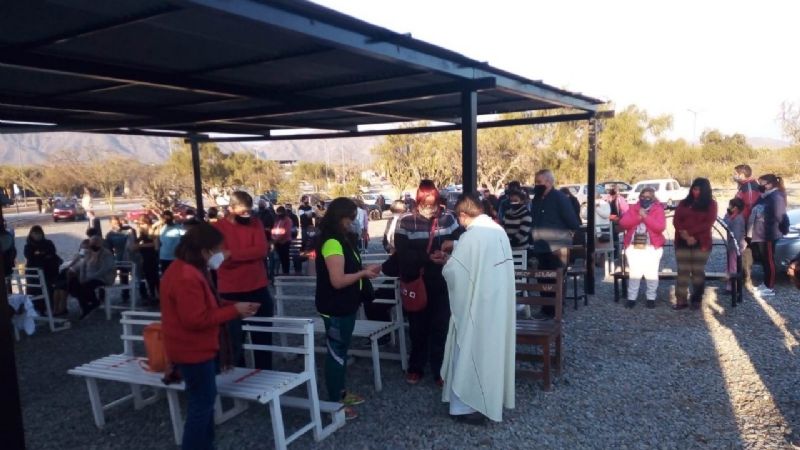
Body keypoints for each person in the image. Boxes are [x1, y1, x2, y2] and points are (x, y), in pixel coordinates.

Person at [160, 223, 259, 450]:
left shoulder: (186, 269)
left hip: (192, 349)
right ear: (205, 251)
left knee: (203, 402)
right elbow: (196, 319)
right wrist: (234, 311)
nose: (221, 255)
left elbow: (206, 305)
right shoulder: (187, 276)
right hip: (193, 351)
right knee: (201, 405)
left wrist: (234, 306)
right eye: (218, 250)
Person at [440, 193, 516, 425]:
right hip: (496, 302)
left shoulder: (473, 236)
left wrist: (446, 263)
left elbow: (456, 272)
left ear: (463, 215)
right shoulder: (497, 230)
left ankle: (466, 407)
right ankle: (488, 400)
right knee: (489, 354)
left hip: (476, 306)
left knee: (469, 351)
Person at [315, 197, 382, 420]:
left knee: (341, 351)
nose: (354, 221)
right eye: (351, 217)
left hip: (346, 305)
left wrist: (364, 269)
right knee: (336, 354)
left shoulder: (344, 239)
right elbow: (338, 280)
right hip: (335, 307)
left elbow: (348, 267)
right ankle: (334, 402)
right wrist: (363, 274)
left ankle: (341, 392)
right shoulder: (332, 242)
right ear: (340, 217)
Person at [394, 180, 459, 386]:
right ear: (418, 200)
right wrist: (426, 257)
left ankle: (440, 370)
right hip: (416, 281)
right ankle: (416, 367)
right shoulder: (405, 221)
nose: (429, 207)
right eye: (425, 202)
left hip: (442, 282)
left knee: (441, 326)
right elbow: (401, 253)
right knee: (417, 327)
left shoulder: (449, 218)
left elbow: (461, 242)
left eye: (433, 202)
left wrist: (446, 254)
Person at [213, 191, 272, 369]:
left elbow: (261, 251)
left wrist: (231, 254)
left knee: (263, 337)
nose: (247, 215)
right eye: (242, 212)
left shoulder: (256, 223)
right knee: (234, 340)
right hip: (231, 292)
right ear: (230, 209)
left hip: (258, 288)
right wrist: (245, 255)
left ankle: (265, 374)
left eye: (249, 211)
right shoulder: (217, 228)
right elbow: (219, 258)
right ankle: (237, 376)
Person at [529, 169, 580, 317]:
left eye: (539, 182)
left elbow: (572, 221)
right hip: (540, 246)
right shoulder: (537, 200)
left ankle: (556, 311)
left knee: (556, 279)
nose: (537, 185)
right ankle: (546, 309)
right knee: (542, 277)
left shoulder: (559, 198)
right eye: (536, 182)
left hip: (557, 247)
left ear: (549, 182)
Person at [673, 178, 718, 310]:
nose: (695, 192)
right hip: (682, 240)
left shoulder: (711, 204)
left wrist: (691, 234)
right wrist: (685, 235)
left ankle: (697, 298)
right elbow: (676, 220)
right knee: (683, 271)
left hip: (701, 241)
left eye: (698, 189)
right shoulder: (684, 203)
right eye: (694, 189)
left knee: (697, 271)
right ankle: (681, 299)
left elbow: (708, 223)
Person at [618, 187, 666, 309]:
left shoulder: (658, 209)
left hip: (651, 246)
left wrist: (645, 217)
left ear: (653, 198)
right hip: (634, 246)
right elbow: (624, 223)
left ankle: (651, 298)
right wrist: (639, 217)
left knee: (651, 273)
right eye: (643, 197)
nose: (645, 199)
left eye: (648, 197)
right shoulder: (633, 208)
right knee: (635, 273)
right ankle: (631, 298)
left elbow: (659, 227)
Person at [748, 174, 788, 296]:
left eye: (762, 183)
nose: (760, 186)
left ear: (770, 184)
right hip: (760, 234)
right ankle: (765, 283)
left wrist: (783, 229)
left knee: (769, 261)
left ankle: (769, 287)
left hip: (768, 235)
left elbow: (781, 216)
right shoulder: (765, 196)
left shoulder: (776, 197)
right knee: (764, 261)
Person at [70, 235, 115, 318]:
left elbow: (104, 269)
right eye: (92, 243)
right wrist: (82, 277)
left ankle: (91, 305)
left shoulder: (106, 253)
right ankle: (90, 304)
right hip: (89, 277)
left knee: (86, 286)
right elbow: (83, 265)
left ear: (100, 243)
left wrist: (89, 278)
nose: (94, 245)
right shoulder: (88, 253)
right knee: (74, 284)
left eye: (96, 243)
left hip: (102, 278)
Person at [733, 164, 761, 286]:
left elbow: (750, 206)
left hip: (747, 224)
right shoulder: (744, 186)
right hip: (745, 223)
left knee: (746, 250)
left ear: (742, 175)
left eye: (736, 173)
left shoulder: (749, 187)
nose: (734, 175)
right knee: (745, 250)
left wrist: (746, 227)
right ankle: (745, 276)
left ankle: (747, 278)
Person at [23, 225, 61, 304]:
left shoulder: (48, 243)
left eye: (39, 233)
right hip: (34, 272)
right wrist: (43, 254)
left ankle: (51, 304)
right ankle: (38, 305)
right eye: (35, 233)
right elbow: (30, 257)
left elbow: (52, 253)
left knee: (50, 286)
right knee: (36, 289)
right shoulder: (28, 246)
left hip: (50, 270)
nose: (38, 235)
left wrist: (39, 254)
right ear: (31, 234)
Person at [105, 216, 136, 302]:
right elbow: (109, 249)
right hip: (119, 257)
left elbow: (134, 241)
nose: (117, 224)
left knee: (132, 275)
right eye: (114, 223)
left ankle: (135, 294)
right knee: (120, 276)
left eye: (118, 222)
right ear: (110, 224)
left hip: (130, 256)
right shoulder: (110, 234)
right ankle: (124, 295)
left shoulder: (128, 230)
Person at [723, 198, 746, 292]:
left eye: (730, 205)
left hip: (735, 246)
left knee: (733, 265)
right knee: (730, 264)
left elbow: (735, 235)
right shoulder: (733, 216)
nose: (729, 207)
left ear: (735, 208)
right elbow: (724, 223)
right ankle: (730, 284)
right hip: (733, 245)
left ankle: (732, 286)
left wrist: (733, 247)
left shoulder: (737, 219)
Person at [136, 217, 159, 303]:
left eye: (143, 224)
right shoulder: (142, 233)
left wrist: (140, 246)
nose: (141, 226)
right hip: (144, 257)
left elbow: (156, 245)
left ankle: (156, 295)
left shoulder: (152, 231)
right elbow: (137, 242)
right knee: (148, 277)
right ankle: (151, 295)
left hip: (151, 256)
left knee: (154, 277)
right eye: (140, 224)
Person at [604, 185, 630, 260]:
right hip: (609, 220)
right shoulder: (607, 199)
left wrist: (621, 219)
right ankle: (610, 254)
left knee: (615, 237)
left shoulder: (619, 199)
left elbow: (625, 210)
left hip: (616, 220)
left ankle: (615, 255)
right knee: (610, 237)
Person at [159, 210, 184, 275]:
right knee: (166, 275)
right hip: (164, 256)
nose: (166, 219)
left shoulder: (178, 227)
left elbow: (185, 238)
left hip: (175, 256)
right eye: (165, 218)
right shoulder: (161, 228)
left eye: (168, 217)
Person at [271, 206, 293, 275]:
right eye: (277, 212)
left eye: (280, 212)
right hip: (277, 242)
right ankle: (276, 272)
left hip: (285, 242)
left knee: (285, 258)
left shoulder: (288, 220)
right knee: (277, 258)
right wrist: (273, 237)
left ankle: (286, 272)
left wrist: (277, 239)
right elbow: (274, 229)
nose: (278, 214)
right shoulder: (277, 220)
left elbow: (285, 231)